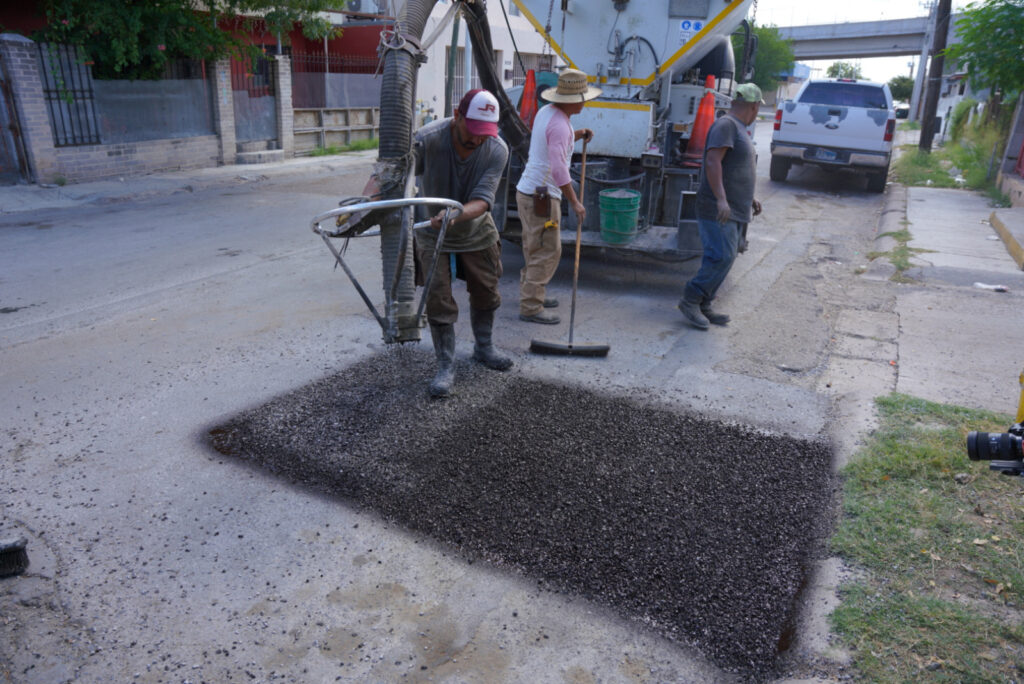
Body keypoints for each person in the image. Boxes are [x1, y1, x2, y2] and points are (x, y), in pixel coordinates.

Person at [413, 88, 513, 398]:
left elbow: (483, 201)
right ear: (457, 115)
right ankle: (446, 365)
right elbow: (394, 177)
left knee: (487, 289)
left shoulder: (497, 149)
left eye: (485, 133)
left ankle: (484, 347)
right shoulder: (426, 140)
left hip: (475, 229)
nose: (478, 139)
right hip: (431, 230)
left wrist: (454, 215)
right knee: (439, 300)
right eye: (473, 131)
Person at [515, 69, 599, 325]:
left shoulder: (548, 113)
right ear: (571, 100)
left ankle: (531, 291)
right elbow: (559, 168)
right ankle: (531, 305)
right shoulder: (560, 124)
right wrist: (575, 201)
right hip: (541, 196)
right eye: (582, 98)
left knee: (534, 245)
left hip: (528, 190)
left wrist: (578, 134)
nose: (585, 102)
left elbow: (553, 141)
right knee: (548, 248)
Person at [677, 82, 764, 330]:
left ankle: (704, 304)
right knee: (720, 256)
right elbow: (713, 162)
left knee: (727, 257)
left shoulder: (736, 128)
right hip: (717, 208)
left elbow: (736, 168)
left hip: (736, 207)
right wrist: (721, 199)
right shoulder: (726, 125)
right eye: (757, 109)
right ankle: (690, 300)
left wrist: (751, 198)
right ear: (754, 107)